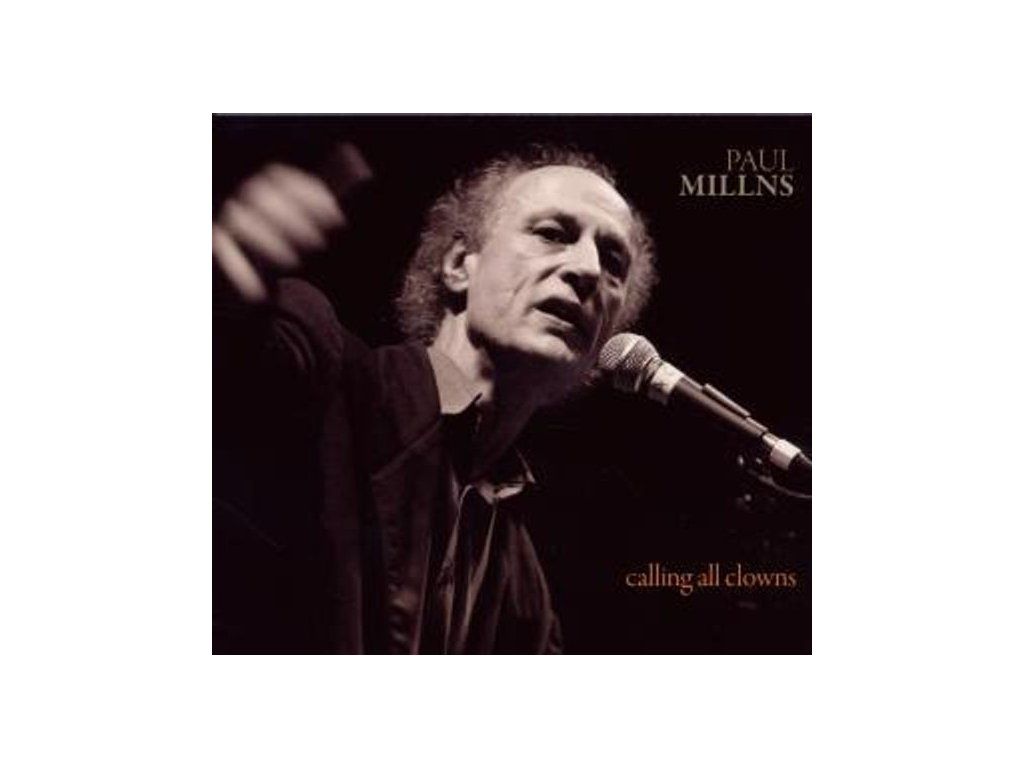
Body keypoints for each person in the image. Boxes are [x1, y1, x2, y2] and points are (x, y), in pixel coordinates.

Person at [213, 145, 656, 653]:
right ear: (458, 265)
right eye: (553, 234)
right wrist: (219, 282)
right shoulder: (323, 371)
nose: (589, 270)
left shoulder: (528, 595)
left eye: (613, 262)